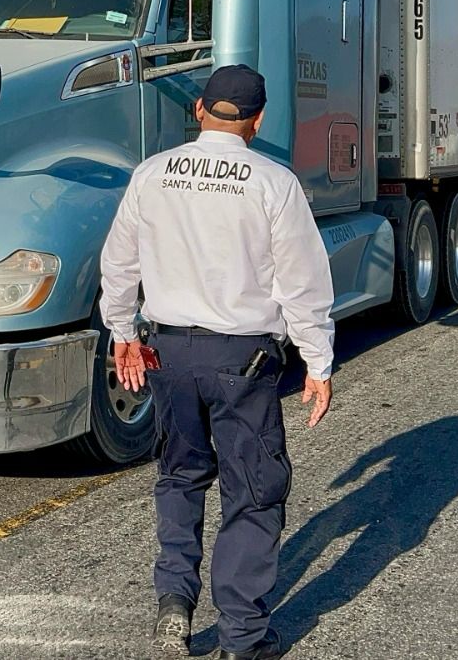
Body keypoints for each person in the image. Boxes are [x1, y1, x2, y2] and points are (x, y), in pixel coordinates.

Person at [99, 64, 336, 660]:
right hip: (242, 359)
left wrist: (122, 333)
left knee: (179, 476)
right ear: (258, 120)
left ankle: (175, 600)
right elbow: (301, 283)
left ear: (201, 109)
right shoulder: (272, 183)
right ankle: (242, 639)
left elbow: (119, 263)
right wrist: (318, 362)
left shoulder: (152, 175)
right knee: (252, 492)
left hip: (168, 352)